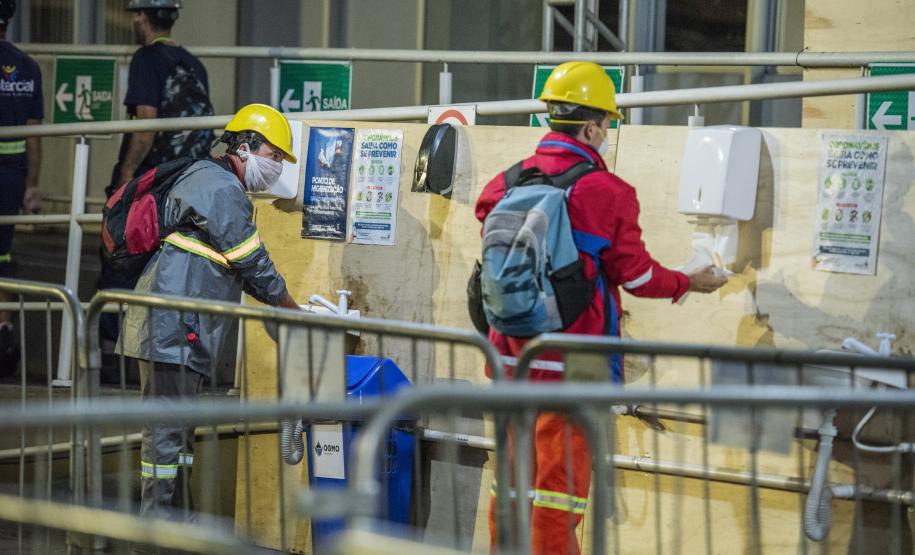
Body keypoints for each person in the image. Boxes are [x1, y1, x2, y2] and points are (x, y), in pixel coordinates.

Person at [474, 61, 728, 555]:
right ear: (591, 126)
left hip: (508, 358)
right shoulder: (606, 192)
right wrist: (688, 282)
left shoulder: (503, 184)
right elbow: (637, 276)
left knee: (509, 485)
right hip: (573, 366)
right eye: (607, 125)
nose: (607, 134)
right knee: (556, 494)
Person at [119, 104, 300, 524]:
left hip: (180, 329)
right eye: (274, 157)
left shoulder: (214, 182)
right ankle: (157, 531)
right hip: (172, 328)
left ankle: (178, 521)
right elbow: (250, 259)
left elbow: (240, 265)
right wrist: (291, 308)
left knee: (179, 434)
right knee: (165, 437)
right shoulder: (219, 187)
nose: (275, 169)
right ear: (245, 146)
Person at [99, 0, 214, 349]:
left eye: (136, 13)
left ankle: (109, 348)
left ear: (142, 16)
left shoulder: (146, 59)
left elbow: (146, 126)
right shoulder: (194, 64)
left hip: (150, 182)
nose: (133, 18)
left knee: (119, 255)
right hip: (187, 182)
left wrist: (126, 176)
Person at [0, 0, 42, 376]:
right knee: (3, 253)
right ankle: (4, 329)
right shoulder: (27, 66)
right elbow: (35, 138)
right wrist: (31, 185)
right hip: (12, 176)